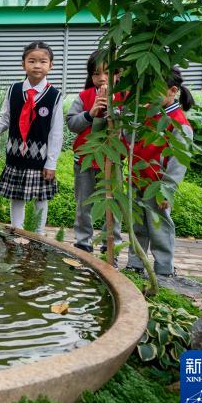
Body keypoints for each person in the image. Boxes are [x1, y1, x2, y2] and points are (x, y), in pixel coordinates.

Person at [0, 42, 64, 232]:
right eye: (32, 61)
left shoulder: (54, 96)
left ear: (51, 65)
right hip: (16, 155)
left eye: (43, 61)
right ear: (23, 64)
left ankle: (38, 234)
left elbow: (56, 133)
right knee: (16, 196)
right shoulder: (14, 90)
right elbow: (5, 119)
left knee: (40, 199)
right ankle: (16, 231)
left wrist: (51, 163)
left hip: (40, 159)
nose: (37, 65)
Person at [126, 68, 194, 277]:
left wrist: (167, 190)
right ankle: (135, 264)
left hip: (157, 186)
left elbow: (178, 162)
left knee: (159, 228)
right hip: (137, 179)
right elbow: (129, 139)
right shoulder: (147, 113)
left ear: (173, 91)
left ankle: (164, 269)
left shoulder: (178, 123)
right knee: (137, 225)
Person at [66, 49, 121, 255]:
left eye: (108, 72)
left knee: (112, 204)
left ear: (118, 74)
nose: (102, 78)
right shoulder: (84, 96)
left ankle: (110, 246)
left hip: (112, 162)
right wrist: (90, 114)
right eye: (96, 74)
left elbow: (128, 130)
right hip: (85, 161)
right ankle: (83, 244)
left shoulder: (124, 98)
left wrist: (115, 113)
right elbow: (72, 123)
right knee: (84, 204)